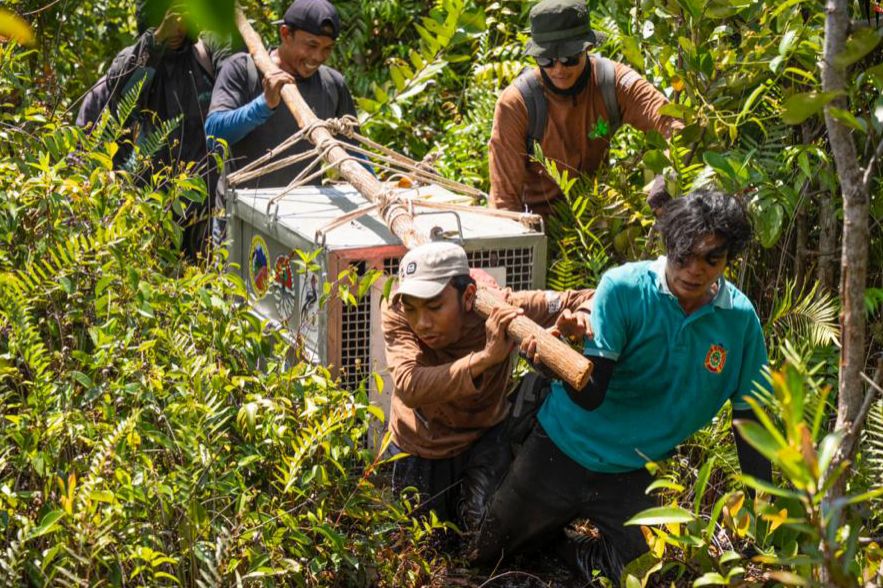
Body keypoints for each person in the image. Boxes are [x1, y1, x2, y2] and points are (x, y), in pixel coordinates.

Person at [472, 188, 773, 581]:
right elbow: (591, 394)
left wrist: (765, 515)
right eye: (684, 256)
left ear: (729, 257)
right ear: (668, 246)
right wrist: (547, 356)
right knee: (488, 557)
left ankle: (571, 550)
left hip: (630, 469)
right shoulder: (624, 289)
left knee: (655, 575)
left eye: (711, 259)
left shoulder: (739, 321)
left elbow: (751, 421)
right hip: (562, 446)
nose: (695, 270)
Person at [382, 241, 593, 531]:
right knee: (421, 541)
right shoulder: (395, 310)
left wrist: (580, 316)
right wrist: (485, 358)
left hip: (483, 436)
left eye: (434, 307)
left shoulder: (500, 309)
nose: (422, 322)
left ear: (468, 296)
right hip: (421, 445)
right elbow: (409, 384)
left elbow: (588, 296)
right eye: (412, 308)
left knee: (485, 533)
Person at [488, 0, 682, 218]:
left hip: (595, 220)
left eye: (569, 58)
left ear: (587, 48)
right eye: (546, 60)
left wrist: (666, 177)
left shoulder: (613, 82)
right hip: (534, 227)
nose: (559, 69)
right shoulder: (516, 103)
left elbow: (673, 123)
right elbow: (503, 202)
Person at [91, 0, 230, 259]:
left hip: (205, 204)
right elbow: (122, 89)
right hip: (152, 203)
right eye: (168, 19)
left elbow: (234, 76)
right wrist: (156, 39)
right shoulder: (136, 56)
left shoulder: (205, 54)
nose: (176, 28)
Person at [204, 0, 357, 194]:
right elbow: (213, 134)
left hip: (300, 217)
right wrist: (264, 105)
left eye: (327, 48)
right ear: (285, 34)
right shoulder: (242, 70)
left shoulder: (332, 83)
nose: (318, 56)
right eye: (311, 45)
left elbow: (354, 153)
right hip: (239, 216)